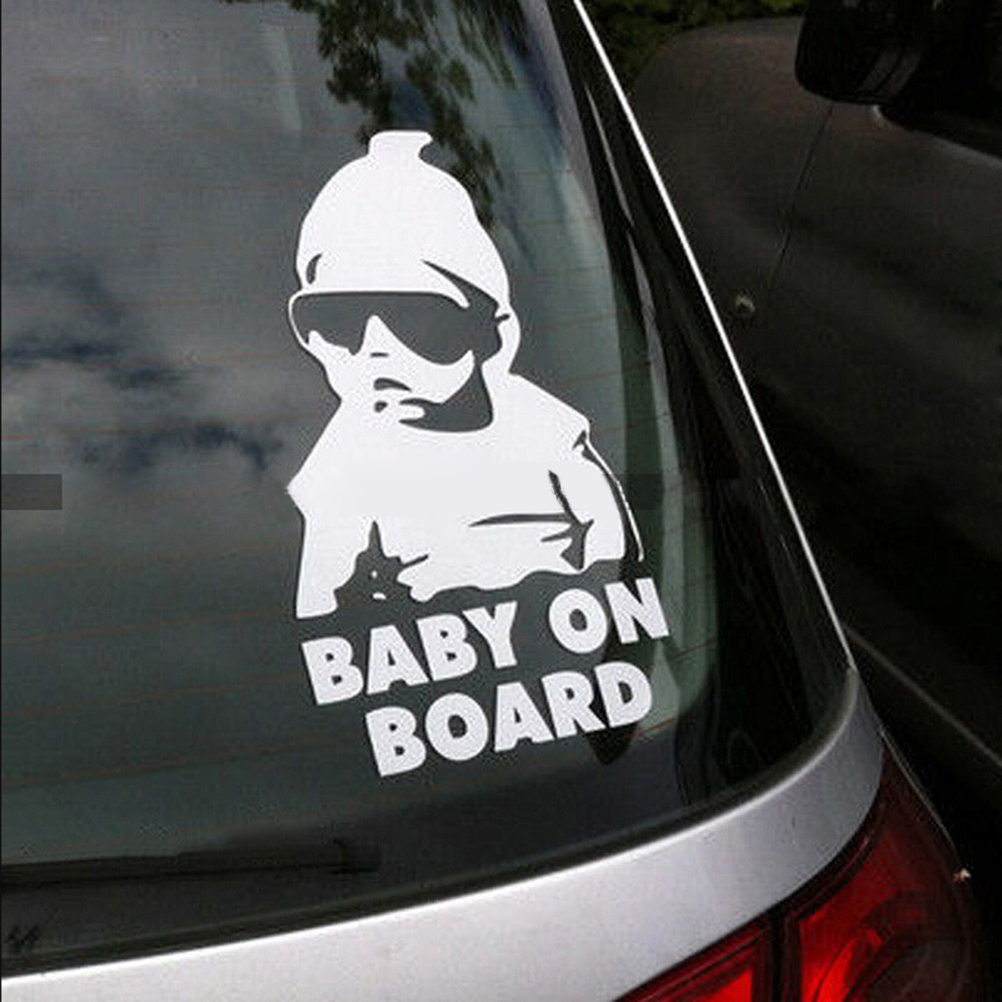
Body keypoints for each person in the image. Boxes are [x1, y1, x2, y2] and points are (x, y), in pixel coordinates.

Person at [287, 130, 641, 619]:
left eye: (415, 317)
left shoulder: (546, 429)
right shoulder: (344, 468)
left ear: (493, 330)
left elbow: (625, 563)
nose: (375, 348)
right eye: (337, 320)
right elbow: (321, 617)